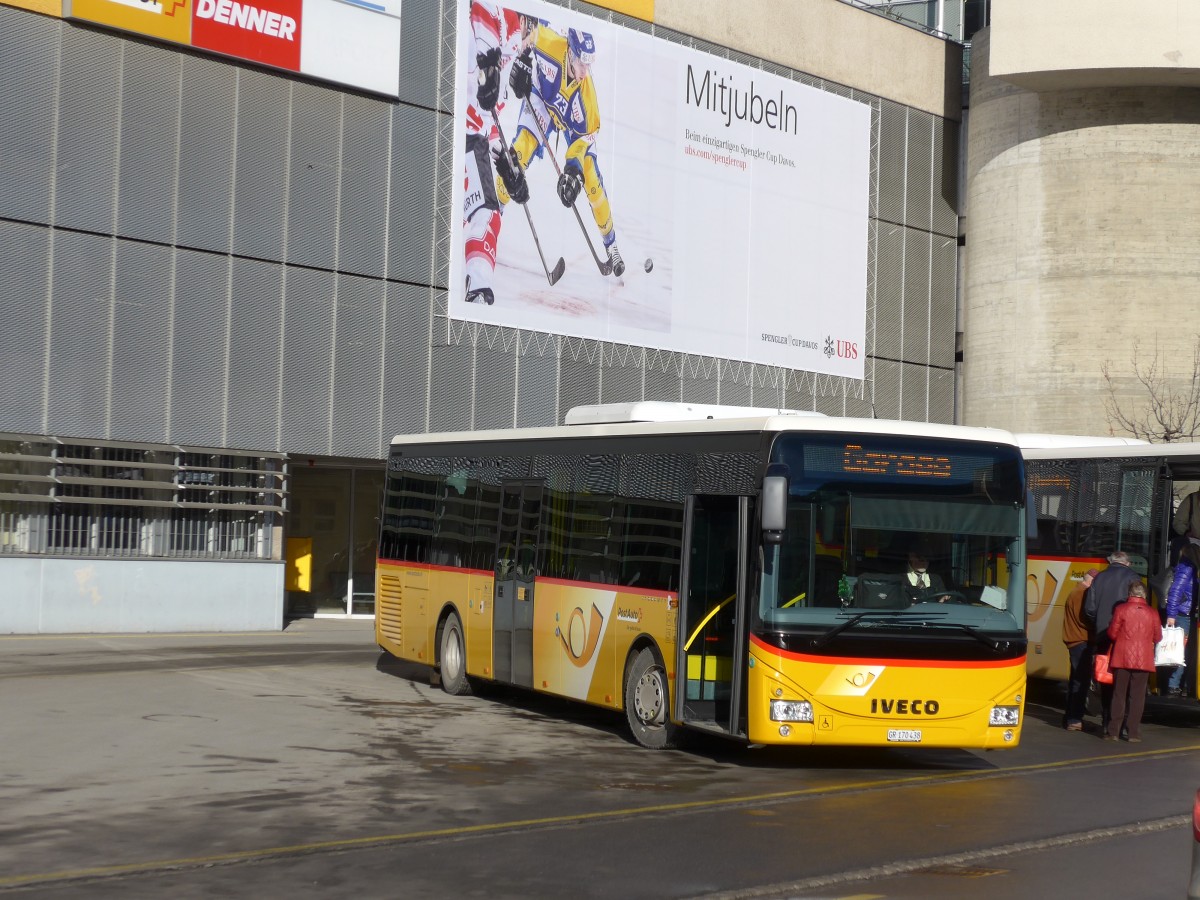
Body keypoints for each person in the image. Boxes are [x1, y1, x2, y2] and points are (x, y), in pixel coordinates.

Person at [499, 22, 627, 276]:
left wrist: (572, 170)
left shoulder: (587, 98)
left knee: (591, 180)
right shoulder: (550, 43)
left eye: (589, 65)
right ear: (569, 52)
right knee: (518, 153)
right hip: (542, 101)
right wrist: (522, 60)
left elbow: (584, 138)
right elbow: (527, 36)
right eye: (581, 63)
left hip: (571, 124)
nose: (584, 71)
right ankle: (492, 212)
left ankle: (611, 244)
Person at [462, 2, 533, 306]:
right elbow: (480, 12)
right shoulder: (508, 18)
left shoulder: (514, 43)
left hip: (470, 136)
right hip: (459, 132)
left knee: (490, 213)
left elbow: (488, 118)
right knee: (487, 213)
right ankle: (478, 291)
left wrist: (506, 163)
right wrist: (487, 63)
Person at [1083, 550, 1141, 734]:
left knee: (1106, 677)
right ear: (1127, 563)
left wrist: (1100, 623)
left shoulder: (1099, 578)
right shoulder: (1132, 577)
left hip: (1103, 635)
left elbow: (1089, 608)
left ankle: (1107, 720)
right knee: (1124, 681)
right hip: (1125, 637)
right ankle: (1122, 723)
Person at [1104, 581, 1162, 742]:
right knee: (1137, 697)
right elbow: (1158, 637)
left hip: (1121, 657)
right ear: (1144, 595)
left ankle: (1113, 731)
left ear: (1130, 593)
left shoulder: (1120, 609)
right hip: (1143, 659)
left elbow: (1112, 634)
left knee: (1119, 694)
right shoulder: (1153, 613)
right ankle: (1133, 733)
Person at [1061, 567, 1098, 731]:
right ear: (1091, 581)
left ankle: (1070, 717)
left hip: (1076, 641)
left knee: (1076, 680)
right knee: (1080, 682)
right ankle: (1074, 719)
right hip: (1080, 641)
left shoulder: (1075, 591)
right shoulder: (1082, 594)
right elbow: (1084, 619)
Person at [1163, 541, 1198, 696]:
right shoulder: (1186, 568)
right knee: (1179, 651)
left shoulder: (1191, 568)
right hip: (1183, 614)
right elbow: (1175, 591)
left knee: (1185, 651)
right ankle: (1173, 684)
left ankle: (1181, 684)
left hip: (1188, 614)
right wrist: (1171, 615)